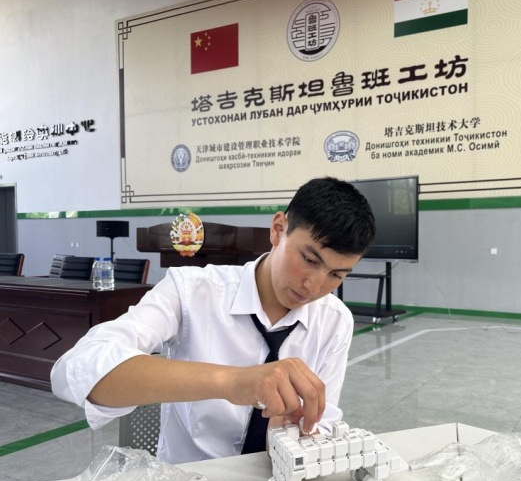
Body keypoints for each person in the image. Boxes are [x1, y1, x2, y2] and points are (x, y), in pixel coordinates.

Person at [51, 177, 376, 464]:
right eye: (308, 259)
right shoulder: (191, 292)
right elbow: (76, 369)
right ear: (278, 229)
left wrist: (299, 438)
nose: (314, 286)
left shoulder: (334, 321)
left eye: (336, 275)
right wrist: (234, 382)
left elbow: (323, 421)